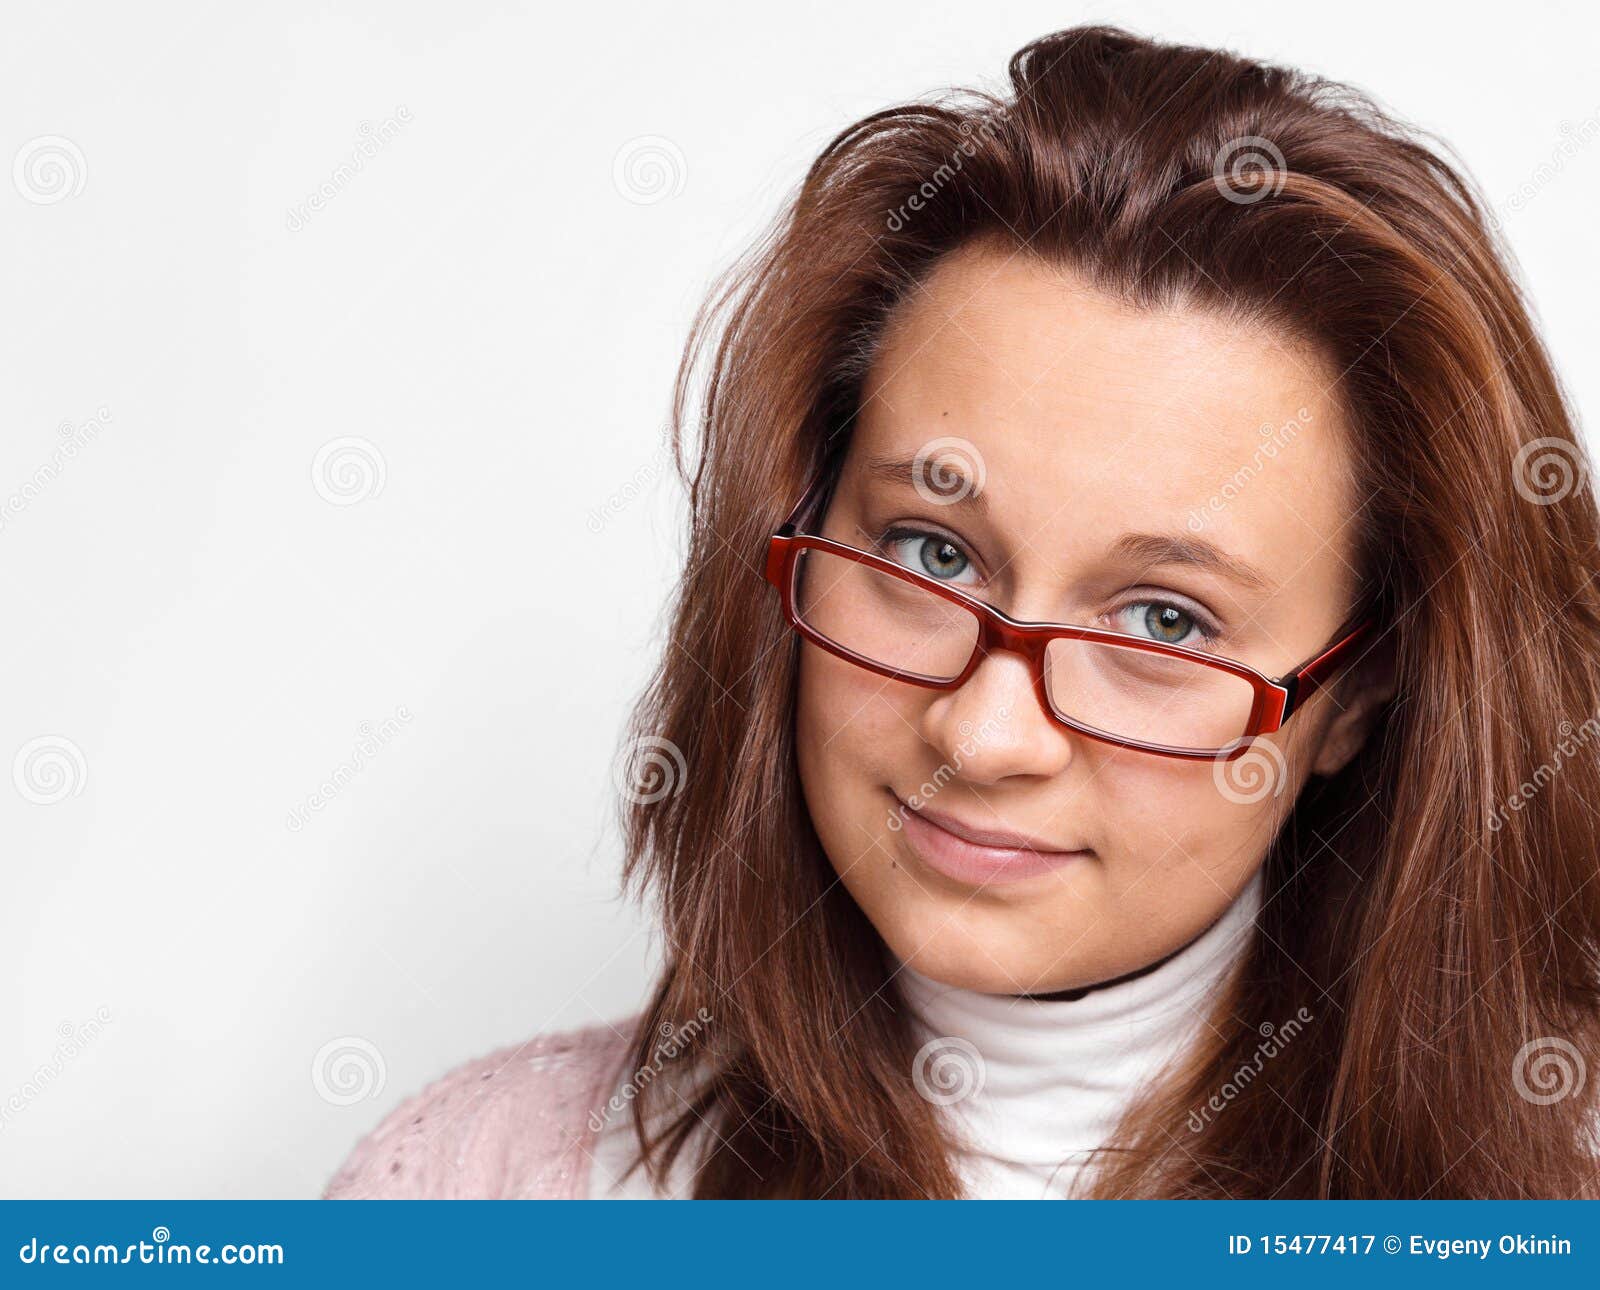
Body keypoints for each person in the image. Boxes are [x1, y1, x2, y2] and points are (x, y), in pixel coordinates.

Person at [325, 23, 1600, 1201]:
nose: (984, 739)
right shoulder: (485, 1184)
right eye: (932, 551)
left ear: (1353, 697)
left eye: (1164, 622)